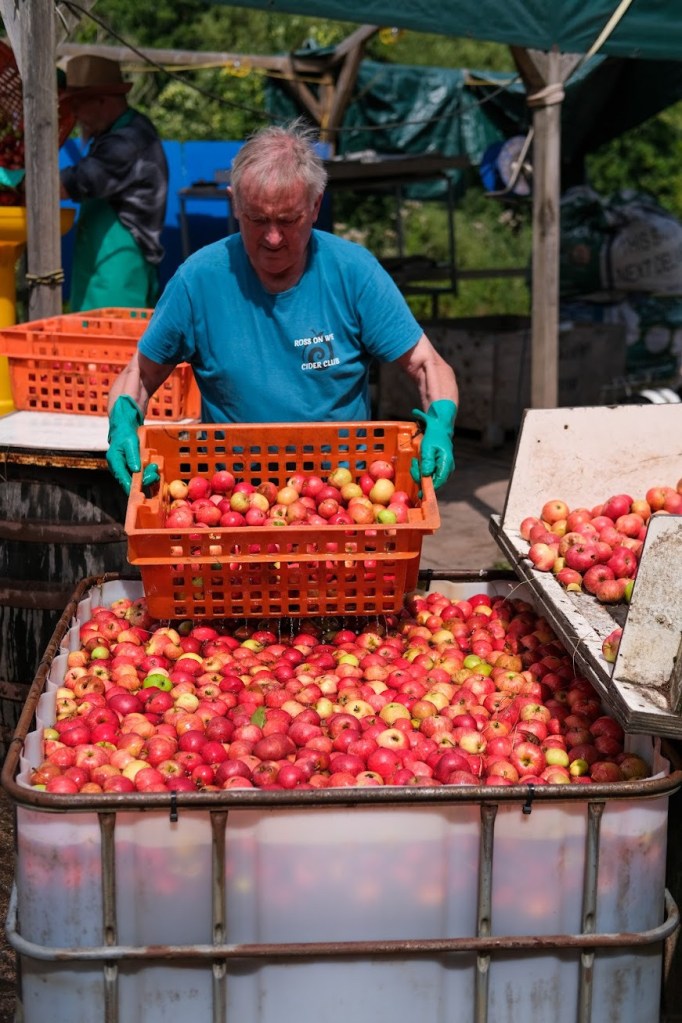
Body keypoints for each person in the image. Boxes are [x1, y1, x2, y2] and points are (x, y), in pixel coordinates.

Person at [106, 120, 458, 494]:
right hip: (232, 501)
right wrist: (124, 422)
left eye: (288, 220)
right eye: (258, 220)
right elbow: (141, 374)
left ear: (316, 205)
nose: (273, 238)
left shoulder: (354, 273)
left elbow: (426, 363)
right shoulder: (198, 281)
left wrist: (440, 423)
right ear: (235, 204)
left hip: (340, 497)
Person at [59, 54, 168, 312]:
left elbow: (75, 183)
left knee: (112, 348)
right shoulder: (111, 135)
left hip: (120, 272)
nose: (74, 116)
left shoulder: (128, 140)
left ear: (101, 101)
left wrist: (18, 181)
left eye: (77, 105)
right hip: (103, 269)